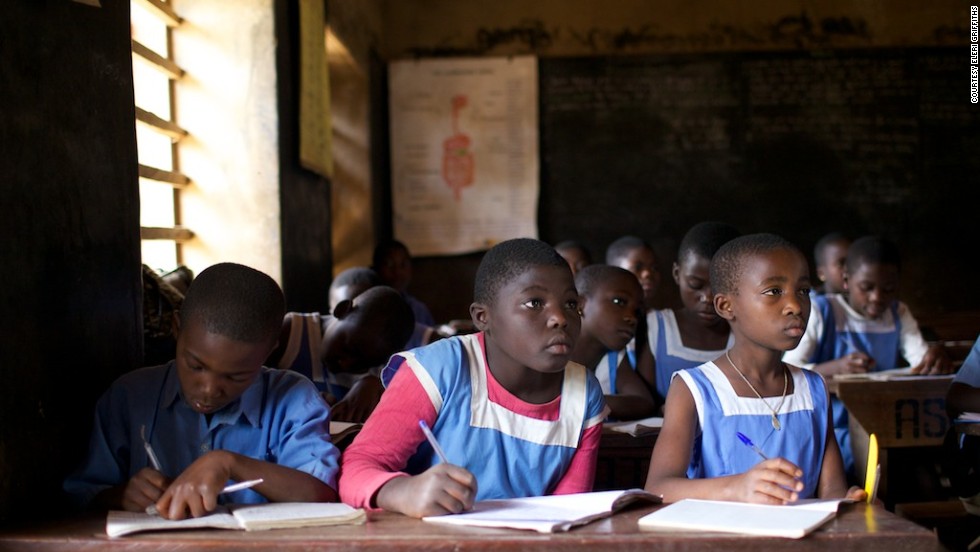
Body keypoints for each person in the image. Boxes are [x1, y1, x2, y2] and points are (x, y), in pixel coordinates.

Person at [339, 238, 608, 518]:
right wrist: (403, 491)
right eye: (535, 302)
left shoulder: (584, 393)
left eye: (570, 303)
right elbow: (357, 468)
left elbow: (570, 510)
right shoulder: (439, 369)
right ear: (483, 317)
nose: (559, 318)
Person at [64, 263, 340, 519]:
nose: (209, 390)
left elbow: (323, 495)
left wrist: (229, 463)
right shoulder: (129, 398)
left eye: (235, 376)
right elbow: (78, 496)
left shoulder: (293, 399)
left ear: (269, 352)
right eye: (195, 366)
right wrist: (120, 495)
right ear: (176, 328)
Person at [644, 233, 865, 504]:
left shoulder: (814, 388)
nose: (795, 305)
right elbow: (658, 488)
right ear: (726, 306)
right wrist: (737, 488)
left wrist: (848, 503)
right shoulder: (695, 389)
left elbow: (831, 492)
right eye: (774, 291)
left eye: (803, 291)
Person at [783, 235, 952, 477]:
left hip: (887, 426)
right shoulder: (823, 310)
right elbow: (788, 370)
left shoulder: (898, 312)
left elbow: (920, 360)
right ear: (846, 280)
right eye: (867, 288)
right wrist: (834, 367)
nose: (877, 297)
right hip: (835, 429)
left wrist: (933, 358)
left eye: (889, 289)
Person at [268, 282, 415, 423]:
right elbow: (251, 394)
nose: (346, 363)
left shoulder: (380, 374)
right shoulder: (292, 333)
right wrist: (299, 403)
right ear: (342, 310)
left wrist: (377, 386)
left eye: (361, 365)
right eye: (347, 348)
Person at [643, 221, 740, 404]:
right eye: (696, 285)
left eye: (721, 287)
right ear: (677, 274)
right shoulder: (656, 328)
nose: (708, 298)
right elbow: (647, 405)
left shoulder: (747, 334)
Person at [571, 264, 655, 420]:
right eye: (619, 302)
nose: (631, 317)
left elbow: (644, 403)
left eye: (637, 311)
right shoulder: (552, 352)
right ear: (580, 304)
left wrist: (581, 402)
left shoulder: (612, 358)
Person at [372, 239, 436, 328]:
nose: (397, 272)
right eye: (389, 265)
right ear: (376, 268)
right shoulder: (371, 311)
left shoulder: (418, 309)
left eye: (403, 264)